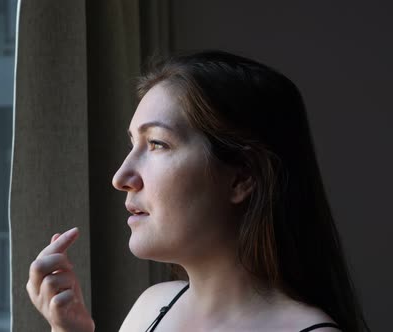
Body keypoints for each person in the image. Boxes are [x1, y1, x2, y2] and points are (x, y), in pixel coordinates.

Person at [26, 50, 370, 331]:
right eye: (133, 143)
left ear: (241, 178)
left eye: (157, 144)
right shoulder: (152, 307)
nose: (121, 176)